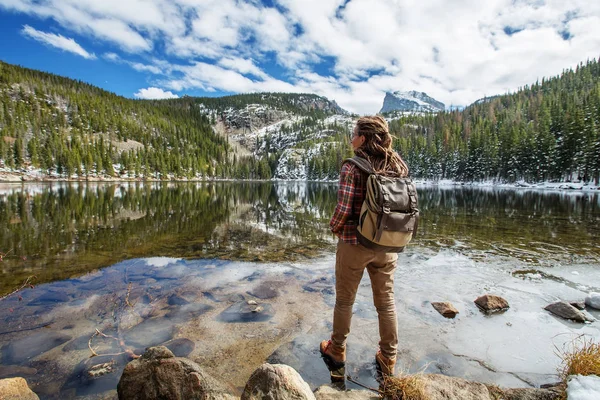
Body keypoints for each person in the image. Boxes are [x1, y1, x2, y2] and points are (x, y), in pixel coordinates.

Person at [320, 115, 410, 377]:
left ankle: (336, 349)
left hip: (354, 242)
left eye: (354, 133)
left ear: (364, 137)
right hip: (388, 243)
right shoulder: (396, 164)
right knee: (386, 302)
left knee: (345, 300)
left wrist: (334, 228)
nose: (350, 139)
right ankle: (388, 357)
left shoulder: (352, 166)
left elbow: (343, 209)